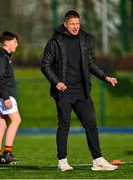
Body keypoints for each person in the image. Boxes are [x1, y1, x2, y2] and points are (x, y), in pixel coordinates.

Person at [41, 10, 118, 171]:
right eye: (72, 24)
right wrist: (56, 82)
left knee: (91, 123)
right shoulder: (55, 42)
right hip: (63, 92)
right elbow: (45, 65)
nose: (75, 27)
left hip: (81, 91)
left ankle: (98, 160)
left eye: (77, 23)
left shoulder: (85, 39)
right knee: (64, 125)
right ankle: (62, 161)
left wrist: (106, 77)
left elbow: (91, 63)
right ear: (65, 24)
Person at [0, 31, 21, 165]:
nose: (17, 44)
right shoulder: (2, 57)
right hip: (5, 95)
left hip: (0, 95)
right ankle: (7, 153)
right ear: (7, 42)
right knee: (16, 120)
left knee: (2, 124)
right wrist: (6, 97)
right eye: (15, 42)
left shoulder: (3, 56)